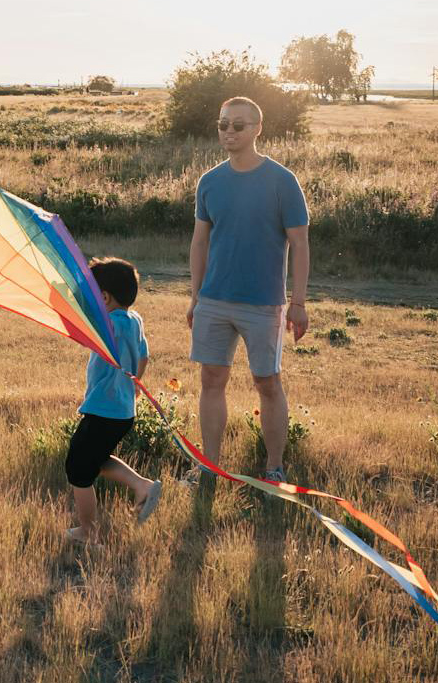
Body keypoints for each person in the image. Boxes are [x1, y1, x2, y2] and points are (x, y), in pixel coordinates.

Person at [187, 96, 311, 485]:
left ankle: (274, 468)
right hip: (214, 301)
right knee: (211, 381)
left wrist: (299, 303)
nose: (229, 132)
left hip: (263, 305)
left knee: (267, 383)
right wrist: (195, 297)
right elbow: (200, 243)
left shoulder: (282, 181)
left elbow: (301, 245)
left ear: (257, 129)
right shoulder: (209, 182)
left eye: (238, 125)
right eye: (223, 124)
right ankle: (211, 466)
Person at [64, 256, 162, 546]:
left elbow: (82, 326)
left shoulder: (109, 326)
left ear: (104, 297)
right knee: (92, 459)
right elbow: (143, 357)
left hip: (103, 409)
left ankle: (88, 532)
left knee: (77, 469)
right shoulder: (134, 320)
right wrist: (133, 383)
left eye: (96, 296)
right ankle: (141, 485)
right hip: (121, 411)